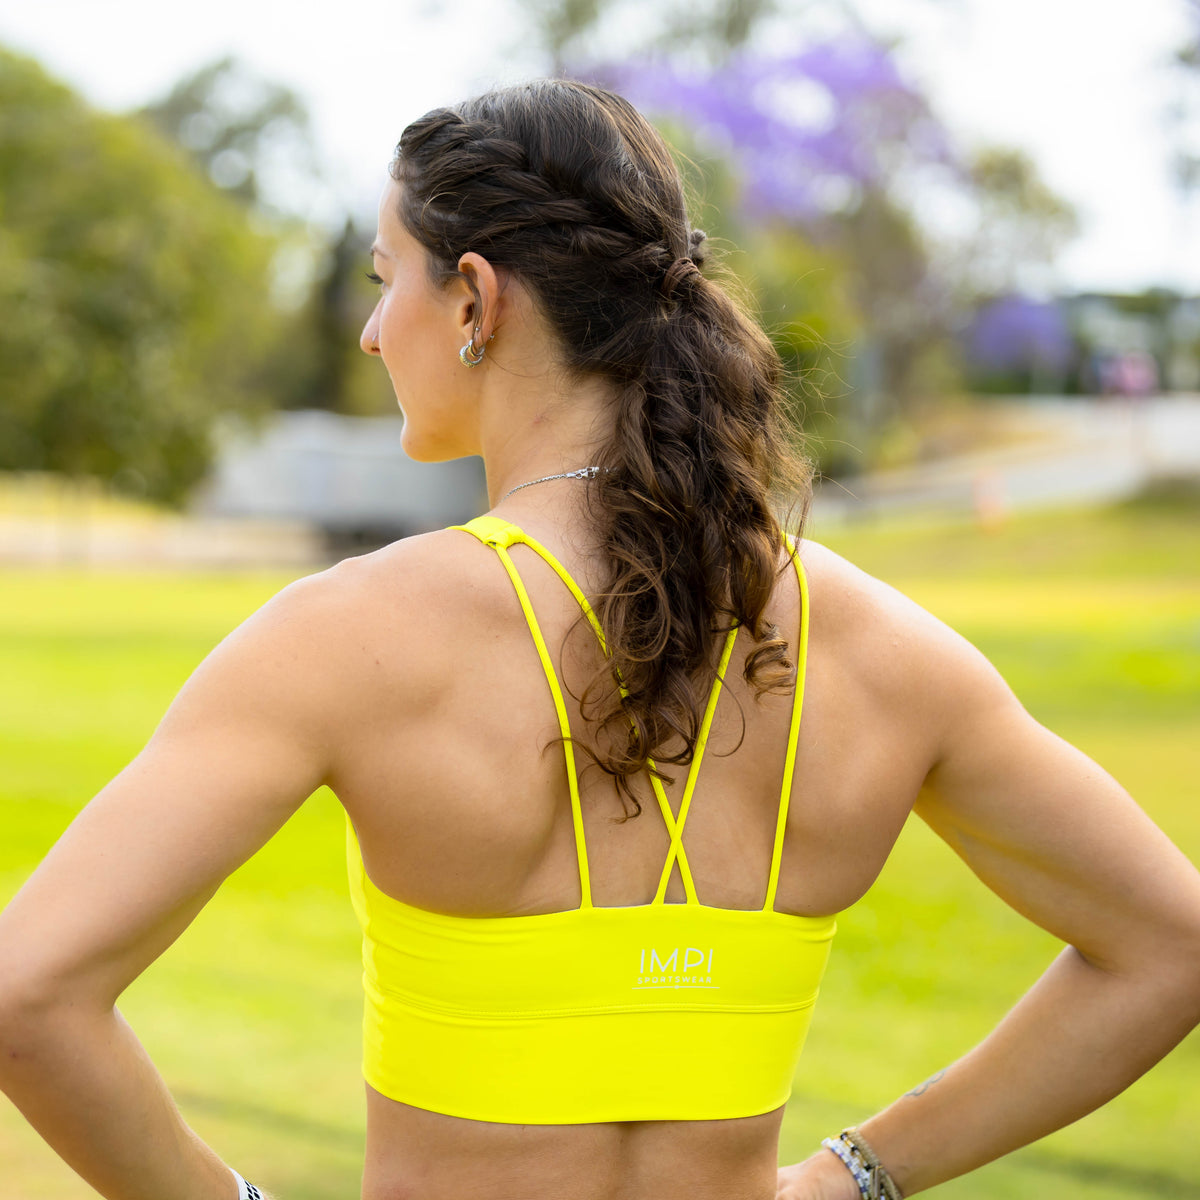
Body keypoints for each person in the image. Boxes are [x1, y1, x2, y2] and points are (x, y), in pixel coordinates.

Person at [1, 77, 1199, 1200]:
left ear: (475, 299)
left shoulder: (345, 639)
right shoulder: (885, 652)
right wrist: (854, 1176)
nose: (370, 331)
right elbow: (1172, 946)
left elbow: (26, 997)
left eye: (385, 277)